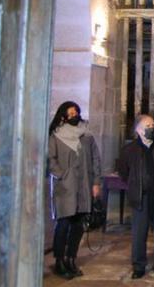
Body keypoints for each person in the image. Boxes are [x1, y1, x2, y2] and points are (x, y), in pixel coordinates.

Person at [47, 101, 101, 280]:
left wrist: (95, 183)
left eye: (76, 112)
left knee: (79, 225)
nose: (74, 116)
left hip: (84, 185)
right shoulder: (56, 135)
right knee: (63, 224)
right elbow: (51, 158)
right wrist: (62, 174)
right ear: (63, 116)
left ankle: (71, 258)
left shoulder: (86, 135)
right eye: (71, 113)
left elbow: (95, 158)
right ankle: (59, 260)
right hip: (65, 187)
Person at [117, 114, 154, 279]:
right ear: (139, 130)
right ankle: (139, 266)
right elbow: (123, 171)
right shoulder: (129, 149)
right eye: (148, 126)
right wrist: (136, 183)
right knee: (139, 232)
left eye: (153, 125)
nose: (152, 128)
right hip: (141, 195)